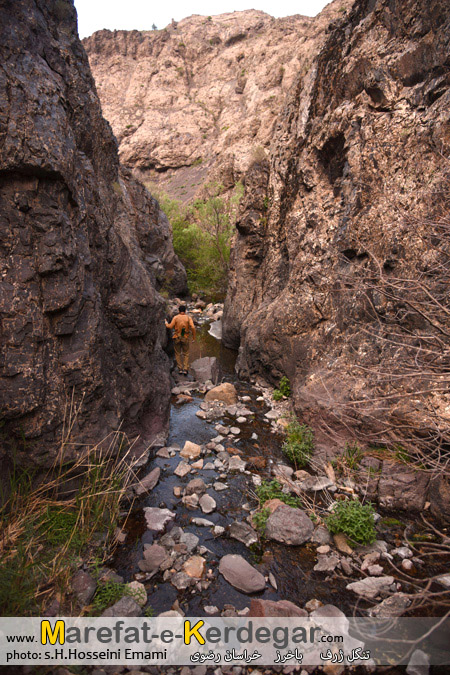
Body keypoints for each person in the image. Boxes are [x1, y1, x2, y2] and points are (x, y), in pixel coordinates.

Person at [165, 305, 196, 375]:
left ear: (179, 311)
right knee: (186, 354)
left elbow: (170, 326)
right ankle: (185, 369)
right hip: (185, 337)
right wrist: (194, 337)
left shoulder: (176, 317)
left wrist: (166, 323)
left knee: (177, 353)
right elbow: (193, 327)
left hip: (177, 337)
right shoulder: (188, 318)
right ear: (185, 311)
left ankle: (180, 369)